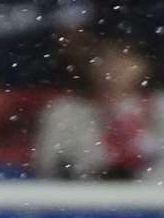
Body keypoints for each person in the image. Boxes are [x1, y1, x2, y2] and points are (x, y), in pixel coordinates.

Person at [33, 44, 164, 181]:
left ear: (144, 65)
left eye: (124, 59)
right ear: (90, 67)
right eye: (106, 60)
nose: (115, 67)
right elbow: (50, 164)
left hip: (152, 195)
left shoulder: (160, 106)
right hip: (85, 194)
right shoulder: (65, 110)